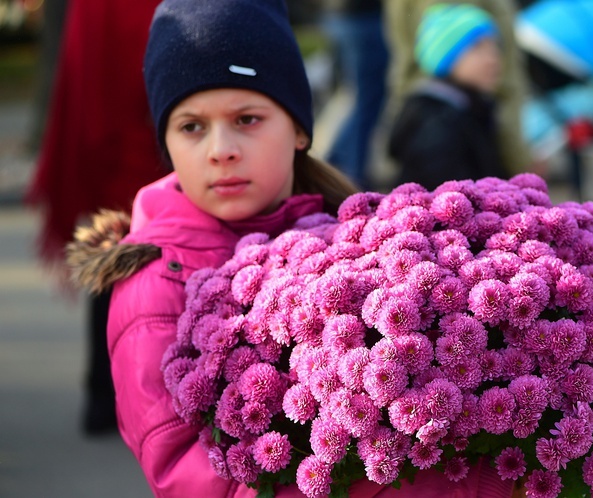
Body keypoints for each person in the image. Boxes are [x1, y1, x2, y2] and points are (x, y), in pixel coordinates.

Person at [65, 0, 520, 496]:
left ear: (300, 128)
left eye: (247, 119)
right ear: (167, 143)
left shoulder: (358, 235)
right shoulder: (157, 278)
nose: (221, 148)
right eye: (191, 126)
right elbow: (185, 471)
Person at [25, 0, 165, 435]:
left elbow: (80, 78)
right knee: (152, 277)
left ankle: (104, 397)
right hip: (150, 149)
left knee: (115, 272)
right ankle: (129, 400)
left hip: (117, 149)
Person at [384, 0, 532, 178]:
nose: (493, 58)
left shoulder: (475, 109)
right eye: (478, 48)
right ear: (448, 58)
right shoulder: (439, 131)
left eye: (495, 46)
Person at [322, 0, 389, 190]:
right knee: (367, 102)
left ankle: (336, 166)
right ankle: (352, 177)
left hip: (345, 17)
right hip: (361, 17)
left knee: (361, 99)